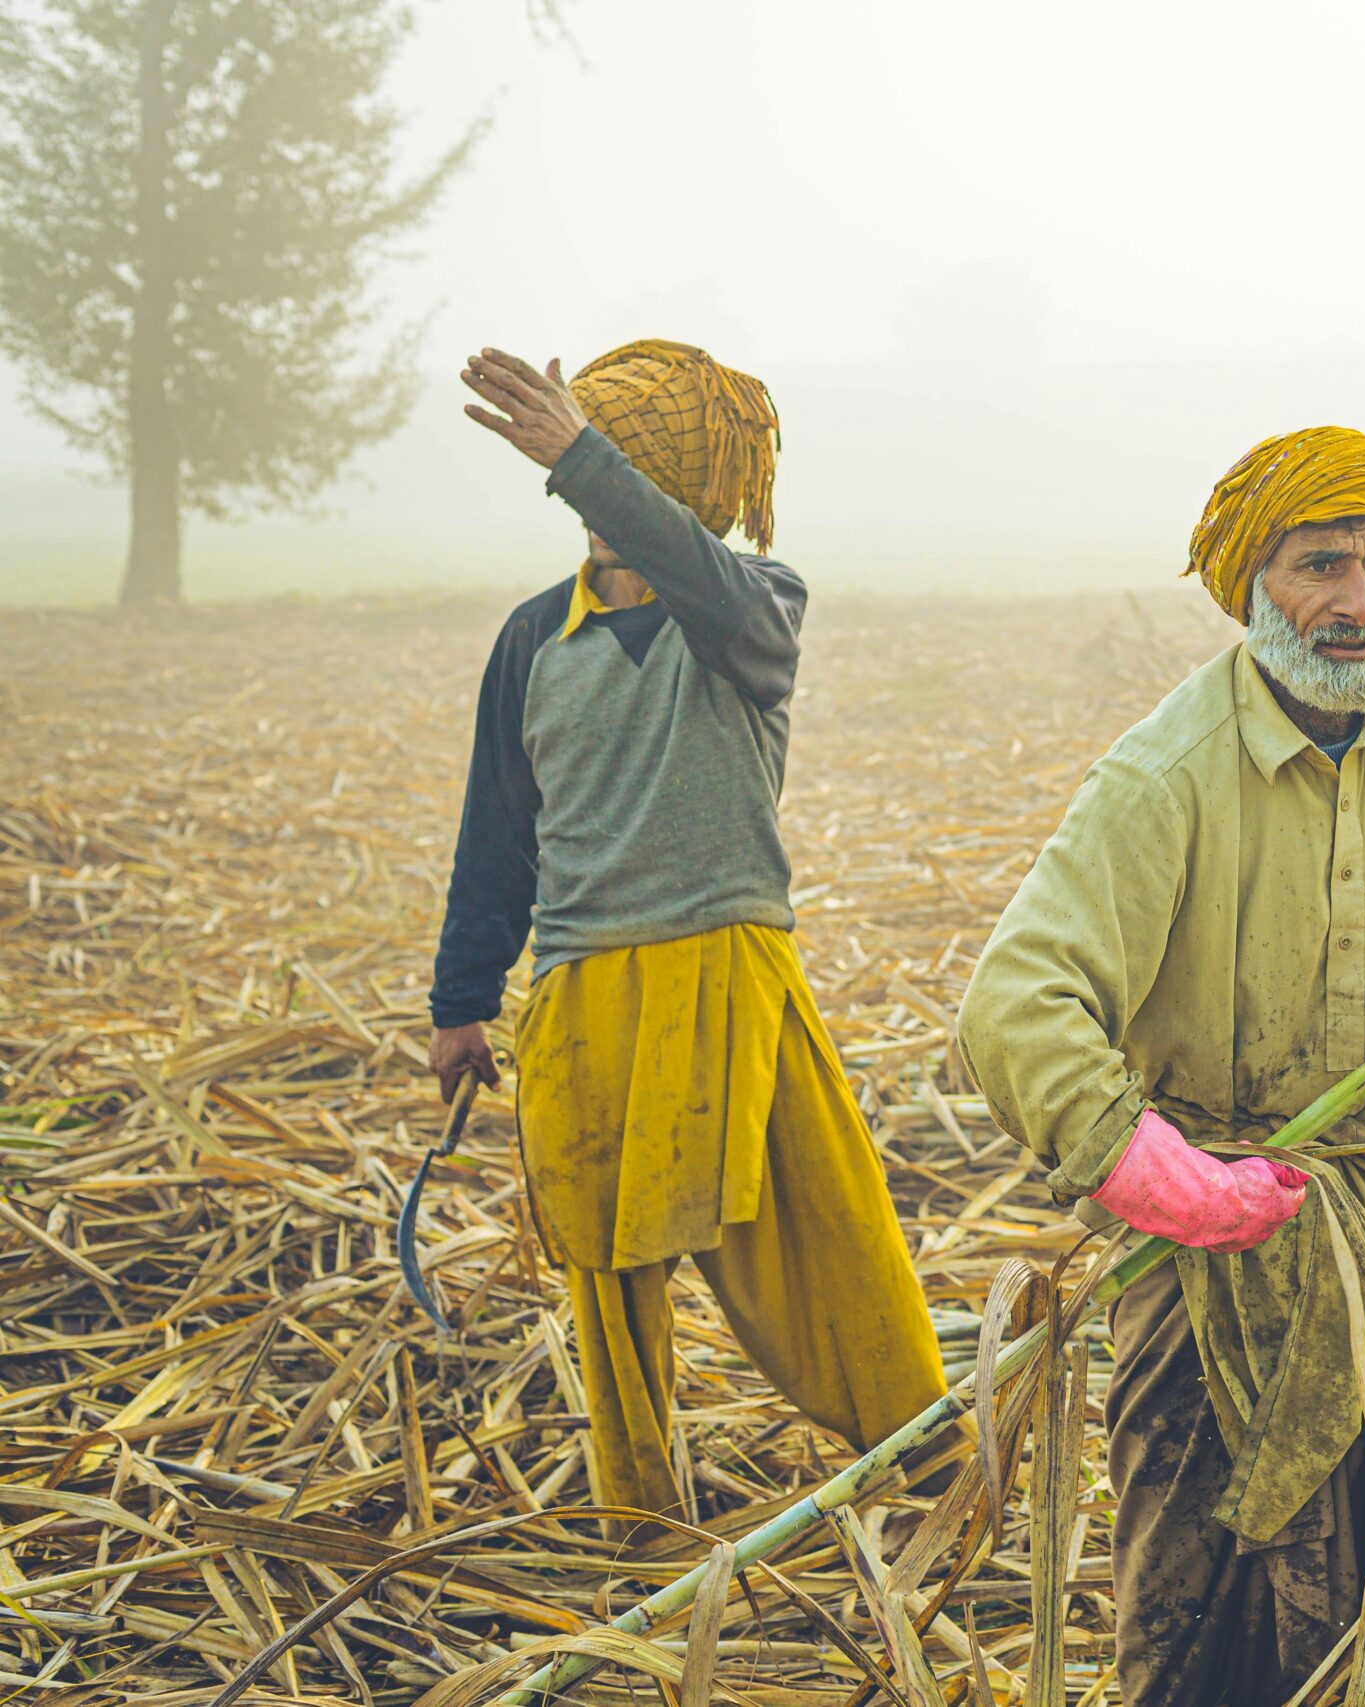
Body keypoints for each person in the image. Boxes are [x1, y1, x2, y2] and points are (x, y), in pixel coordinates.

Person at [957, 427, 1365, 1707]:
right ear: (1251, 586)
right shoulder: (1167, 777)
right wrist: (1152, 1171)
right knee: (1205, 1617)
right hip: (1219, 1253)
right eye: (1318, 567)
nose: (1355, 604)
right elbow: (1011, 1004)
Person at [427, 341, 944, 1518]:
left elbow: (696, 575)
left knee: (829, 1229)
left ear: (693, 495)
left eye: (624, 479)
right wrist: (462, 1000)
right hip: (580, 988)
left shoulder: (752, 611)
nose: (601, 508)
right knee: (607, 1275)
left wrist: (583, 458)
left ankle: (929, 1465)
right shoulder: (530, 641)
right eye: (590, 473)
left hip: (729, 970)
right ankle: (644, 1518)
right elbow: (497, 831)